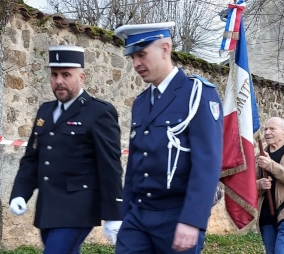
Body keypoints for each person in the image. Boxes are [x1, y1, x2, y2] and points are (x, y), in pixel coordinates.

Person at [114, 22, 223, 253]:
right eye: (132, 56)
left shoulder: (198, 94)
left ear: (165, 48)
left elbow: (207, 163)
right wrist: (123, 214)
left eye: (142, 54)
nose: (136, 64)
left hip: (177, 215)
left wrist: (192, 220)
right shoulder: (141, 102)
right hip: (139, 214)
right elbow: (134, 163)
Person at [9, 45, 123, 253]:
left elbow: (110, 166)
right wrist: (20, 193)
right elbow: (32, 158)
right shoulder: (46, 110)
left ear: (82, 77)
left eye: (66, 74)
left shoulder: (99, 112)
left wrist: (114, 214)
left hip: (78, 209)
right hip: (48, 209)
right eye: (54, 74)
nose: (59, 81)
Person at [256, 117, 284, 254]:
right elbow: (251, 184)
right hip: (266, 212)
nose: (267, 132)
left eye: (272, 129)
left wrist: (271, 165)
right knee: (271, 251)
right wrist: (259, 184)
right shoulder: (260, 155)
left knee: (282, 250)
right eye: (266, 129)